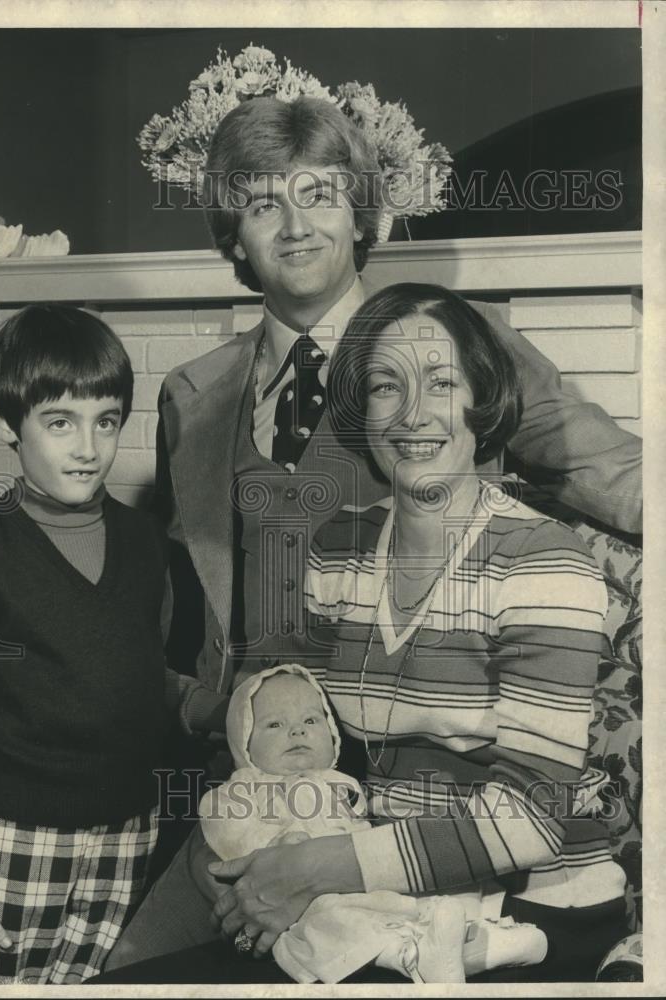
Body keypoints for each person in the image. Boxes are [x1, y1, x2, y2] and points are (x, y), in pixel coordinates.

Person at [105, 94, 641, 969]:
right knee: (127, 976)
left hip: (410, 817)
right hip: (248, 785)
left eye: (318, 193)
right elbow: (189, 608)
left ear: (360, 215)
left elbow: (611, 470)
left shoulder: (457, 351)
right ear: (232, 235)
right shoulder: (192, 396)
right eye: (261, 200)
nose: (294, 223)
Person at [207, 283, 630, 983]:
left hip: (535, 910)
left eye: (440, 383)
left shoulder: (541, 561)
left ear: (480, 400)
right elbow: (304, 737)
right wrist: (245, 860)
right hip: (379, 898)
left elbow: (528, 821)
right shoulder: (337, 546)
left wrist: (316, 869)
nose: (411, 416)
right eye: (383, 386)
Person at [0, 304, 214, 985]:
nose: (88, 446)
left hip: (126, 838)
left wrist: (215, 707)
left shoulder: (146, 545)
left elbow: (142, 675)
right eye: (59, 422)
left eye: (105, 420)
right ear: (5, 426)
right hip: (12, 842)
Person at [200, 663, 549, 984]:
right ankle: (409, 955)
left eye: (311, 721)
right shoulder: (240, 791)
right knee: (331, 922)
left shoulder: (341, 784)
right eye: (275, 725)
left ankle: (475, 943)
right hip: (294, 896)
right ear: (243, 742)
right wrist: (273, 843)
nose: (297, 732)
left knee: (419, 895)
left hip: (352, 874)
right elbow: (228, 836)